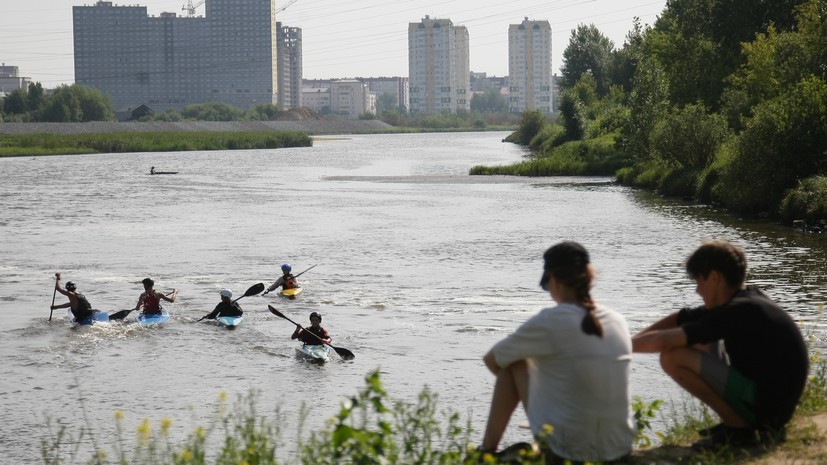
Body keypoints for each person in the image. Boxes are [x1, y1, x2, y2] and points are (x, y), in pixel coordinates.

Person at [632, 240, 809, 449]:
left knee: (673, 356)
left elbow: (663, 341)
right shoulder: (747, 301)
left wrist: (616, 349)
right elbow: (681, 317)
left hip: (768, 410)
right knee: (697, 340)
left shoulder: (737, 312)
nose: (697, 290)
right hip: (773, 401)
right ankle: (738, 423)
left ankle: (739, 430)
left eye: (699, 281)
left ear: (714, 277)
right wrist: (631, 341)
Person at [479, 241, 634, 464]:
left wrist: (540, 401)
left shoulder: (550, 321)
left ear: (555, 281)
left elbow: (492, 360)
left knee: (511, 363)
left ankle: (486, 451)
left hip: (569, 454)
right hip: (620, 449)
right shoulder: (618, 320)